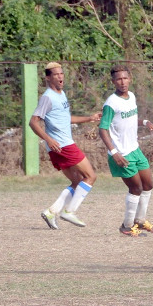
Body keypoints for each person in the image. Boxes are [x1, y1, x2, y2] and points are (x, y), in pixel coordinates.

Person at [30, 62, 101, 229]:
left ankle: (51, 211)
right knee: (90, 177)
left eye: (61, 73)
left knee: (77, 181)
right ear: (48, 78)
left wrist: (89, 118)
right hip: (63, 145)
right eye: (56, 74)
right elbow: (33, 122)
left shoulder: (61, 94)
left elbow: (66, 118)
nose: (60, 77)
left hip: (60, 146)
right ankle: (69, 212)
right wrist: (48, 139)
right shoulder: (48, 97)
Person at [98, 65, 153, 238]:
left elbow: (129, 119)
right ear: (113, 82)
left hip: (134, 149)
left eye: (125, 78)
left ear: (130, 78)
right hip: (122, 154)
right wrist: (114, 152)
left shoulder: (131, 96)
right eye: (118, 79)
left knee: (148, 185)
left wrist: (145, 122)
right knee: (136, 188)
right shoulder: (111, 103)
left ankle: (140, 220)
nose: (122, 82)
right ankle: (127, 226)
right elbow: (103, 129)